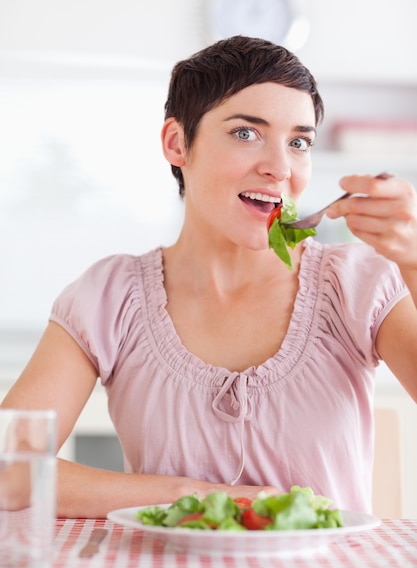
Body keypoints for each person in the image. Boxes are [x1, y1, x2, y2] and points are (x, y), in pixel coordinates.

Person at [2, 36, 417, 519]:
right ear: (177, 143)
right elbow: (12, 468)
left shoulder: (358, 283)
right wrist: (195, 495)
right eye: (246, 133)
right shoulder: (108, 297)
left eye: (298, 142)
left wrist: (413, 261)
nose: (280, 168)